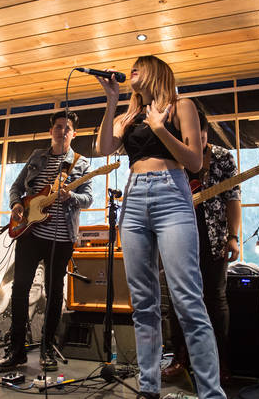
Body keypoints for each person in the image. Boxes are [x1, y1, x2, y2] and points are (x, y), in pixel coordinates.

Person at [95, 55, 226, 399]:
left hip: (172, 193)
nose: (131, 69)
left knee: (187, 299)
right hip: (135, 198)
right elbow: (103, 148)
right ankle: (148, 387)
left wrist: (158, 128)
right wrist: (111, 101)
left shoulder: (181, 106)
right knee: (144, 303)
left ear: (157, 72)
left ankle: (212, 393)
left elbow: (195, 161)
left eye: (138, 65)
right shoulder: (129, 114)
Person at [0, 111, 93, 373]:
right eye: (58, 127)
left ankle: (47, 347)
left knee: (53, 293)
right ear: (51, 131)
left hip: (61, 240)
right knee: (19, 290)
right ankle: (16, 350)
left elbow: (89, 198)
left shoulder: (81, 164)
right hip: (30, 233)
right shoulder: (37, 156)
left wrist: (70, 197)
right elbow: (16, 187)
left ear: (74, 134)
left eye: (68, 128)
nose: (62, 131)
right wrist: (16, 204)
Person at [161, 108, 241, 388]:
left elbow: (233, 198)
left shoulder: (223, 158)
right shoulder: (173, 157)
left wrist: (233, 236)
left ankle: (220, 363)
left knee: (215, 300)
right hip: (177, 236)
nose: (196, 140)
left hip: (214, 237)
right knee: (175, 300)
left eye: (201, 135)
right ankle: (179, 358)